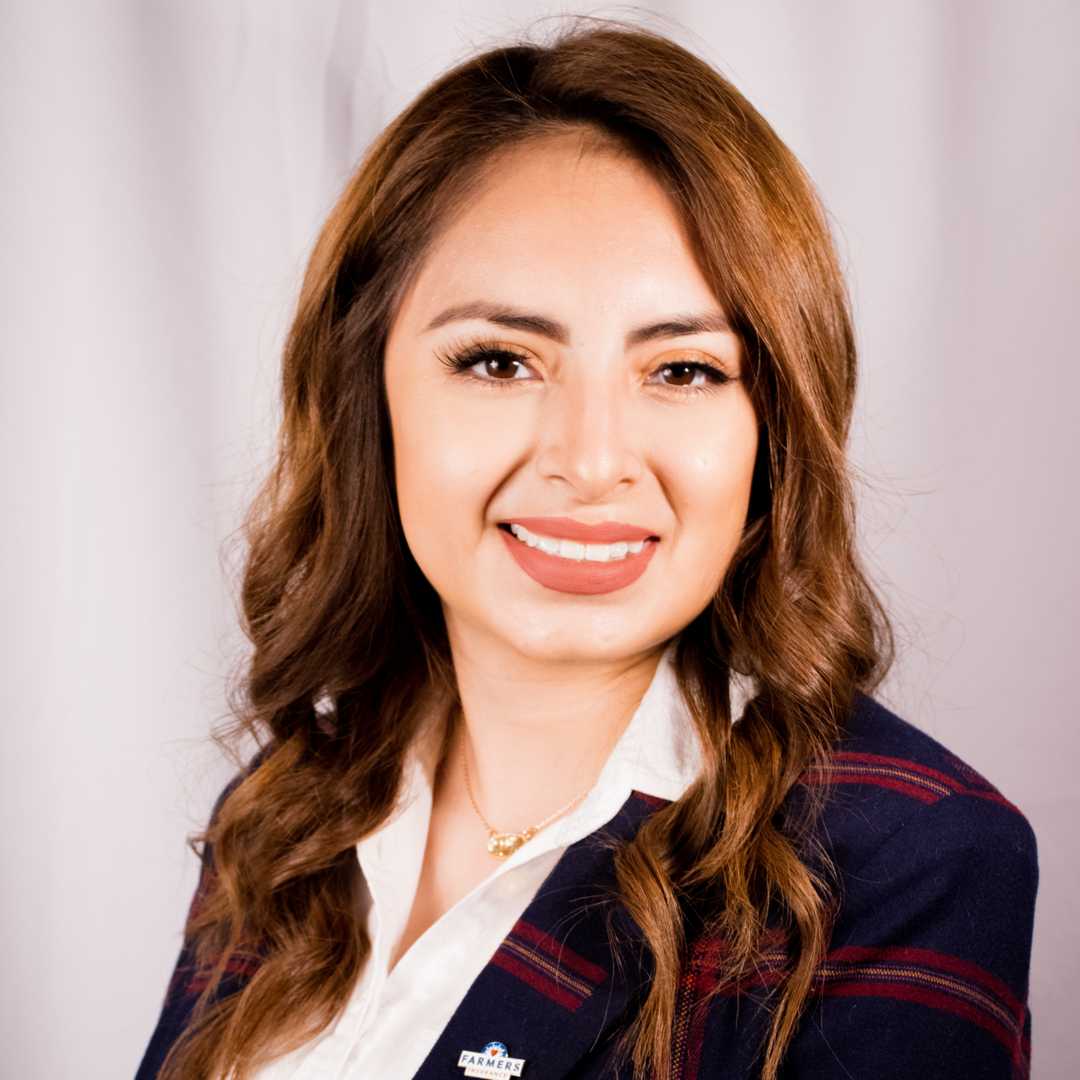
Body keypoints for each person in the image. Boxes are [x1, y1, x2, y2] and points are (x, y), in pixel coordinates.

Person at [136, 22, 1037, 1080]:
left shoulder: (910, 862)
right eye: (499, 360)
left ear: (775, 431)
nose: (593, 461)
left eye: (684, 370)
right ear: (365, 396)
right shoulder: (290, 807)